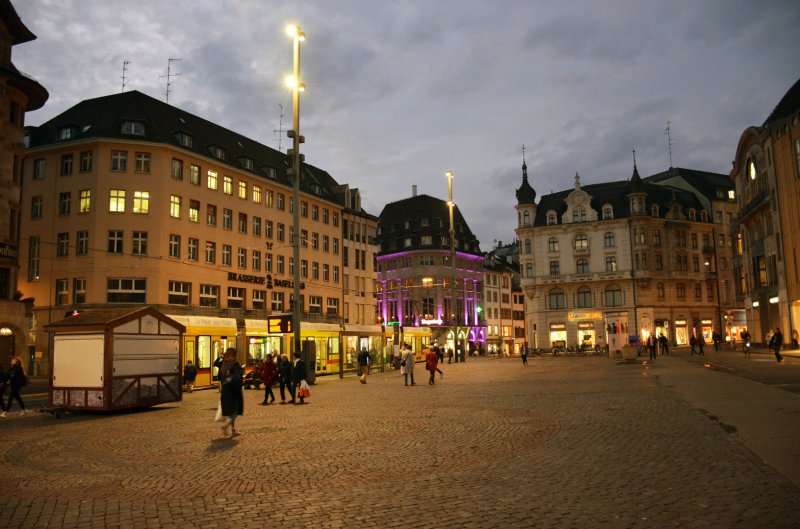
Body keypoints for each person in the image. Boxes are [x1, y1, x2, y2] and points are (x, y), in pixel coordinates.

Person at [218, 348, 243, 437]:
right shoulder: (234, 364)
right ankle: (226, 426)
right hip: (234, 390)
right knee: (235, 410)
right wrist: (241, 371)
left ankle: (233, 430)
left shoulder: (224, 364)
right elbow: (237, 376)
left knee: (231, 410)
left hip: (226, 390)